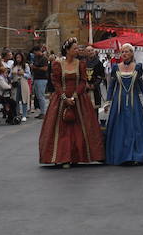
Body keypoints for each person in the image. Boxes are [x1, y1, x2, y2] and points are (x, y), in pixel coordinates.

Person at [38, 38, 104, 167]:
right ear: (67, 50)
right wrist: (64, 97)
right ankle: (63, 157)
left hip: (78, 99)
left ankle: (81, 155)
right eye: (75, 48)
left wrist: (74, 96)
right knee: (62, 130)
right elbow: (55, 81)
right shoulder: (57, 64)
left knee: (82, 128)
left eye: (78, 48)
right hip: (61, 99)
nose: (77, 50)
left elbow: (83, 81)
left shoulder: (80, 63)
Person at [104, 45, 143, 165]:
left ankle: (136, 155)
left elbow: (141, 84)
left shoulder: (137, 67)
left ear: (132, 53)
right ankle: (121, 155)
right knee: (120, 129)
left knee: (135, 128)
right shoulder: (116, 67)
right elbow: (112, 85)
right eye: (122, 52)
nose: (124, 53)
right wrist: (108, 102)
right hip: (119, 103)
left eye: (126, 51)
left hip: (134, 103)